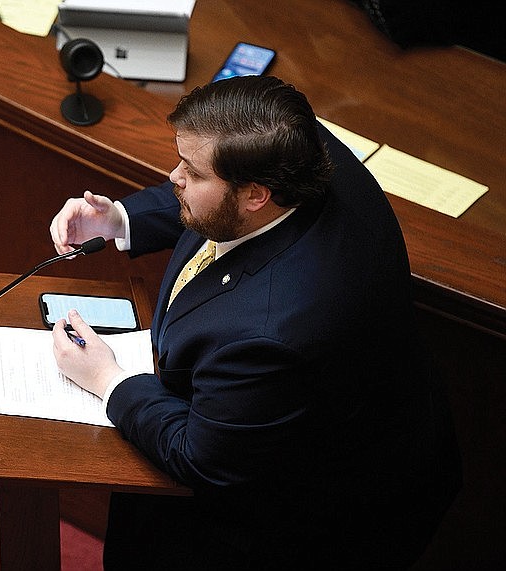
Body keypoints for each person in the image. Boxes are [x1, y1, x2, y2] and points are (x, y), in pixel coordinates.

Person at [48, 76, 461, 570]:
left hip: (309, 516)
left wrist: (109, 381)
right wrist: (118, 218)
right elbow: (210, 197)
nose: (174, 176)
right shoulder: (292, 144)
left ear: (256, 196)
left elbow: (200, 458)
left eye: (191, 171)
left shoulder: (274, 333)